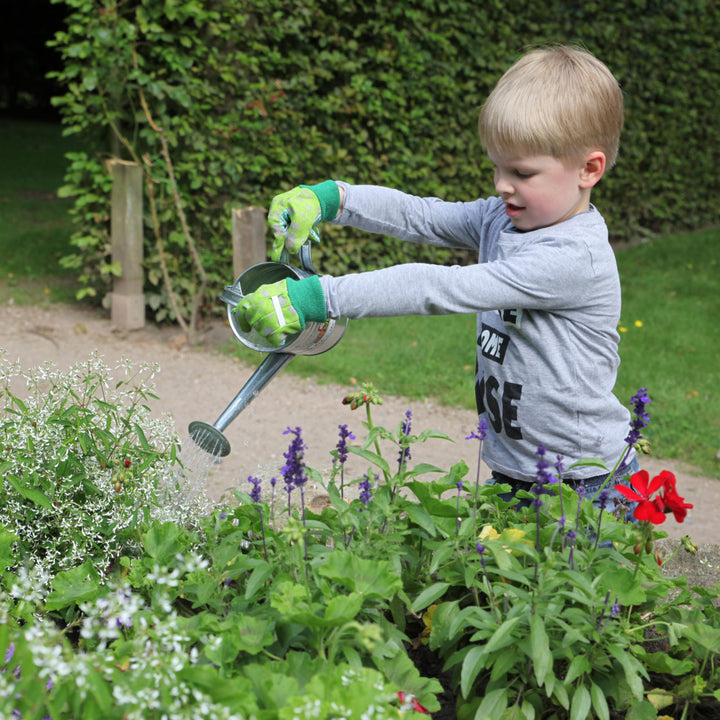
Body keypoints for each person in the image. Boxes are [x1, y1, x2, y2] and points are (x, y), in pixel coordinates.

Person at [235, 44, 639, 509]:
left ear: (589, 169)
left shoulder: (573, 257)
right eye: (497, 166)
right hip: (513, 472)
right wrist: (331, 198)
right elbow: (421, 215)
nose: (502, 185)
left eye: (523, 172)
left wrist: (315, 297)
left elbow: (441, 287)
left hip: (584, 486)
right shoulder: (503, 218)